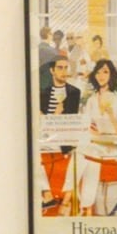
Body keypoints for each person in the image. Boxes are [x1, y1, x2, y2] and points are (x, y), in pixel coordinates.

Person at [77, 58, 117, 215]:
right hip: (95, 144)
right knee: (87, 155)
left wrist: (111, 115)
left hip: (112, 146)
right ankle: (86, 206)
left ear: (111, 75)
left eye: (105, 72)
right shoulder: (91, 100)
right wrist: (94, 132)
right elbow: (86, 126)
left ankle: (77, 201)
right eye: (98, 72)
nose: (101, 76)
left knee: (86, 153)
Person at [38, 55, 81, 213]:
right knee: (31, 153)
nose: (63, 71)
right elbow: (39, 119)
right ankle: (47, 194)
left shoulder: (74, 92)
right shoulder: (43, 92)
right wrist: (50, 117)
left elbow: (69, 121)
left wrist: (53, 117)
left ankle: (49, 197)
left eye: (65, 68)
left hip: (63, 138)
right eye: (60, 68)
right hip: (44, 136)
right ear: (52, 70)